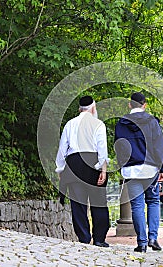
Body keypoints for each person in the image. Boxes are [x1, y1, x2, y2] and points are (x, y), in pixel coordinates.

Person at [114, 92, 163, 253]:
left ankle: (142, 243)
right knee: (153, 202)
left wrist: (122, 164)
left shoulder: (121, 123)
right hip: (150, 169)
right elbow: (159, 146)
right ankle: (153, 238)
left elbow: (119, 146)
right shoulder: (152, 122)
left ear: (130, 105)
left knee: (136, 206)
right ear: (144, 105)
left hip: (131, 170)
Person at [55, 95, 110, 247]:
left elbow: (62, 149)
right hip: (93, 164)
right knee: (98, 203)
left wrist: (60, 169)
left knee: (78, 204)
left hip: (73, 165)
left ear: (80, 109)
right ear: (93, 108)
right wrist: (103, 169)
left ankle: (84, 238)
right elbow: (102, 149)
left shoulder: (70, 124)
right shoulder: (98, 124)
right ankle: (99, 239)